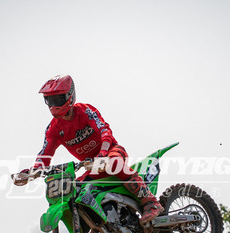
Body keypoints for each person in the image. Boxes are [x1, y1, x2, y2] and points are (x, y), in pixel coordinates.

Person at [15, 74, 164, 225]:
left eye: (57, 99)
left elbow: (105, 131)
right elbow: (44, 154)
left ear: (69, 96)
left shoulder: (85, 111)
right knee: (74, 190)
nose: (53, 105)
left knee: (114, 162)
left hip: (111, 152)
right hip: (92, 167)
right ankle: (101, 225)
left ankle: (151, 202)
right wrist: (33, 172)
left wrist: (103, 153)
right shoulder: (53, 128)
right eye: (50, 100)